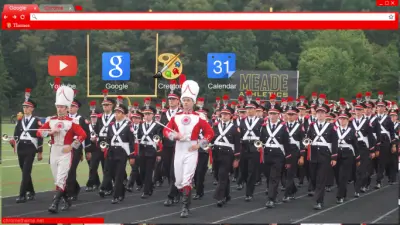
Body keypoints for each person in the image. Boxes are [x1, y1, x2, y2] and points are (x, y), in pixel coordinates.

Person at [163, 80, 214, 218]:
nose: (186, 102)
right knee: (178, 181)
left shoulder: (199, 117)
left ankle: (185, 206)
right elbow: (166, 131)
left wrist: (199, 144)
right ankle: (182, 195)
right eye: (184, 100)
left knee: (187, 179)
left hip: (191, 150)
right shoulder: (176, 117)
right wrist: (174, 136)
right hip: (179, 148)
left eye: (188, 100)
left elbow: (210, 134)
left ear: (193, 102)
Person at [37, 86, 87, 213]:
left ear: (67, 108)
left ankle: (55, 203)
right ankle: (67, 200)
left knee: (61, 178)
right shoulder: (51, 120)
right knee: (57, 179)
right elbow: (39, 132)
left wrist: (72, 146)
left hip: (66, 151)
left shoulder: (72, 121)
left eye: (62, 107)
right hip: (54, 151)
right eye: (58, 106)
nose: (59, 109)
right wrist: (49, 132)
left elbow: (83, 135)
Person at [305, 94, 338, 210]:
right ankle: (317, 194)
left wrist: (334, 157)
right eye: (318, 112)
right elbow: (307, 138)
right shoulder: (312, 126)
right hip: (313, 155)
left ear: (325, 114)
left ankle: (319, 201)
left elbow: (334, 142)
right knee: (313, 178)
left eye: (322, 113)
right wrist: (306, 144)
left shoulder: (331, 127)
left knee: (321, 179)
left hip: (325, 155)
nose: (319, 114)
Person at [12, 88, 43, 203]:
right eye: (24, 107)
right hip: (21, 148)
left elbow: (39, 136)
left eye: (27, 107)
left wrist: (40, 151)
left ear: (32, 108)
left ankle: (22, 195)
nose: (25, 109)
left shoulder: (36, 120)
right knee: (24, 171)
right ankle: (31, 191)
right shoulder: (19, 120)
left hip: (31, 148)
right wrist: (13, 142)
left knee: (26, 172)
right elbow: (16, 134)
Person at [101, 103, 135, 204]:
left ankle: (115, 196)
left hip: (122, 152)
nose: (116, 114)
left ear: (124, 114)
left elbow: (131, 142)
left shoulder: (128, 126)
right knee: (111, 173)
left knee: (119, 175)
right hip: (111, 151)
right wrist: (104, 147)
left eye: (119, 113)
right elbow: (108, 139)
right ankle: (121, 191)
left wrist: (132, 156)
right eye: (116, 112)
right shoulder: (111, 126)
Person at [211, 97, 241, 207]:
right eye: (222, 114)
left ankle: (220, 197)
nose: (224, 116)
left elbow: (238, 145)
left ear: (231, 116)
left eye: (226, 114)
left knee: (222, 175)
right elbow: (212, 139)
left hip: (228, 155)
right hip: (216, 153)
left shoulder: (235, 128)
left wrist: (237, 159)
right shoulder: (215, 126)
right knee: (219, 176)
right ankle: (227, 195)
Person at [66, 93, 91, 201]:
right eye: (70, 106)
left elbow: (87, 135)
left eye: (73, 106)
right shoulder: (64, 118)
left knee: (71, 169)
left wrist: (87, 151)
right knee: (65, 170)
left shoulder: (81, 119)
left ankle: (71, 193)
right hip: (65, 147)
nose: (71, 108)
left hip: (76, 146)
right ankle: (75, 187)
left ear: (77, 108)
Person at [137, 102, 163, 199]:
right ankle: (149, 186)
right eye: (145, 114)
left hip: (152, 151)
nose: (147, 116)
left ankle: (146, 191)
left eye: (149, 114)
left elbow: (160, 140)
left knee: (148, 171)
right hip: (143, 150)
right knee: (142, 171)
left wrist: (159, 153)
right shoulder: (141, 125)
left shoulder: (157, 126)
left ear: (153, 115)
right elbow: (138, 138)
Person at [335, 109, 360, 203]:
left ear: (348, 120)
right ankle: (343, 192)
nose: (342, 120)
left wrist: (357, 158)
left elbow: (356, 146)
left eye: (344, 119)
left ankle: (340, 196)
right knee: (337, 176)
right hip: (337, 154)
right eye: (340, 119)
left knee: (343, 176)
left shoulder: (352, 131)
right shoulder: (335, 130)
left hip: (348, 154)